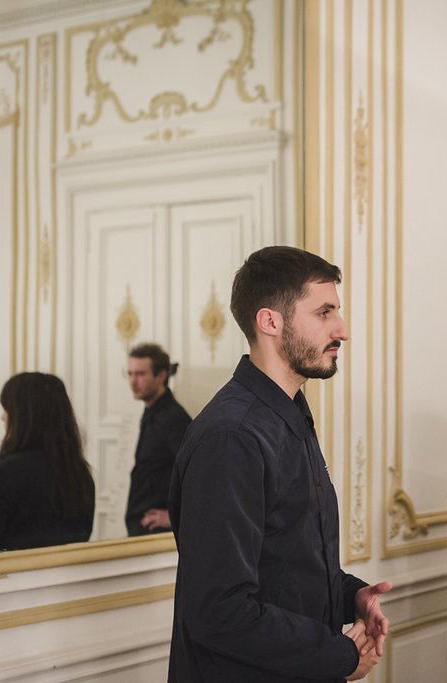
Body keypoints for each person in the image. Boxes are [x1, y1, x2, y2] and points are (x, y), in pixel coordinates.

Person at [167, 246, 391, 682]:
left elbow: (284, 564)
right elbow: (220, 610)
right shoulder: (232, 437)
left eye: (337, 312)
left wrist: (352, 595)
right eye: (324, 312)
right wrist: (339, 655)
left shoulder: (288, 415)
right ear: (270, 321)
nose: (342, 330)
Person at [0, 372, 95, 552]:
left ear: (24, 415)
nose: (3, 417)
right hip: (63, 578)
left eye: (7, 408)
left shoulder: (3, 474)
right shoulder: (80, 474)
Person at [125, 342, 191, 536]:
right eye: (130, 374)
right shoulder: (151, 410)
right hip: (142, 525)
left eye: (140, 374)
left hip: (157, 531)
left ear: (162, 376)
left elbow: (200, 471)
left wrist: (173, 516)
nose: (133, 382)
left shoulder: (173, 418)